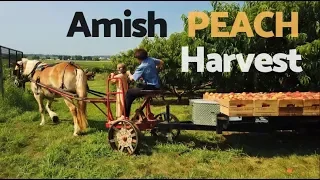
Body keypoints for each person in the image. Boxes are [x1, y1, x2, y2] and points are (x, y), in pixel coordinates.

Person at [117, 48, 164, 120]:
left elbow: (132, 79)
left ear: (138, 58)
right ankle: (136, 113)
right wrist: (155, 71)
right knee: (137, 88)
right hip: (157, 86)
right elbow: (161, 62)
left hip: (150, 87)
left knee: (129, 93)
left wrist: (129, 73)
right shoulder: (151, 59)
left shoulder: (142, 66)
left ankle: (124, 116)